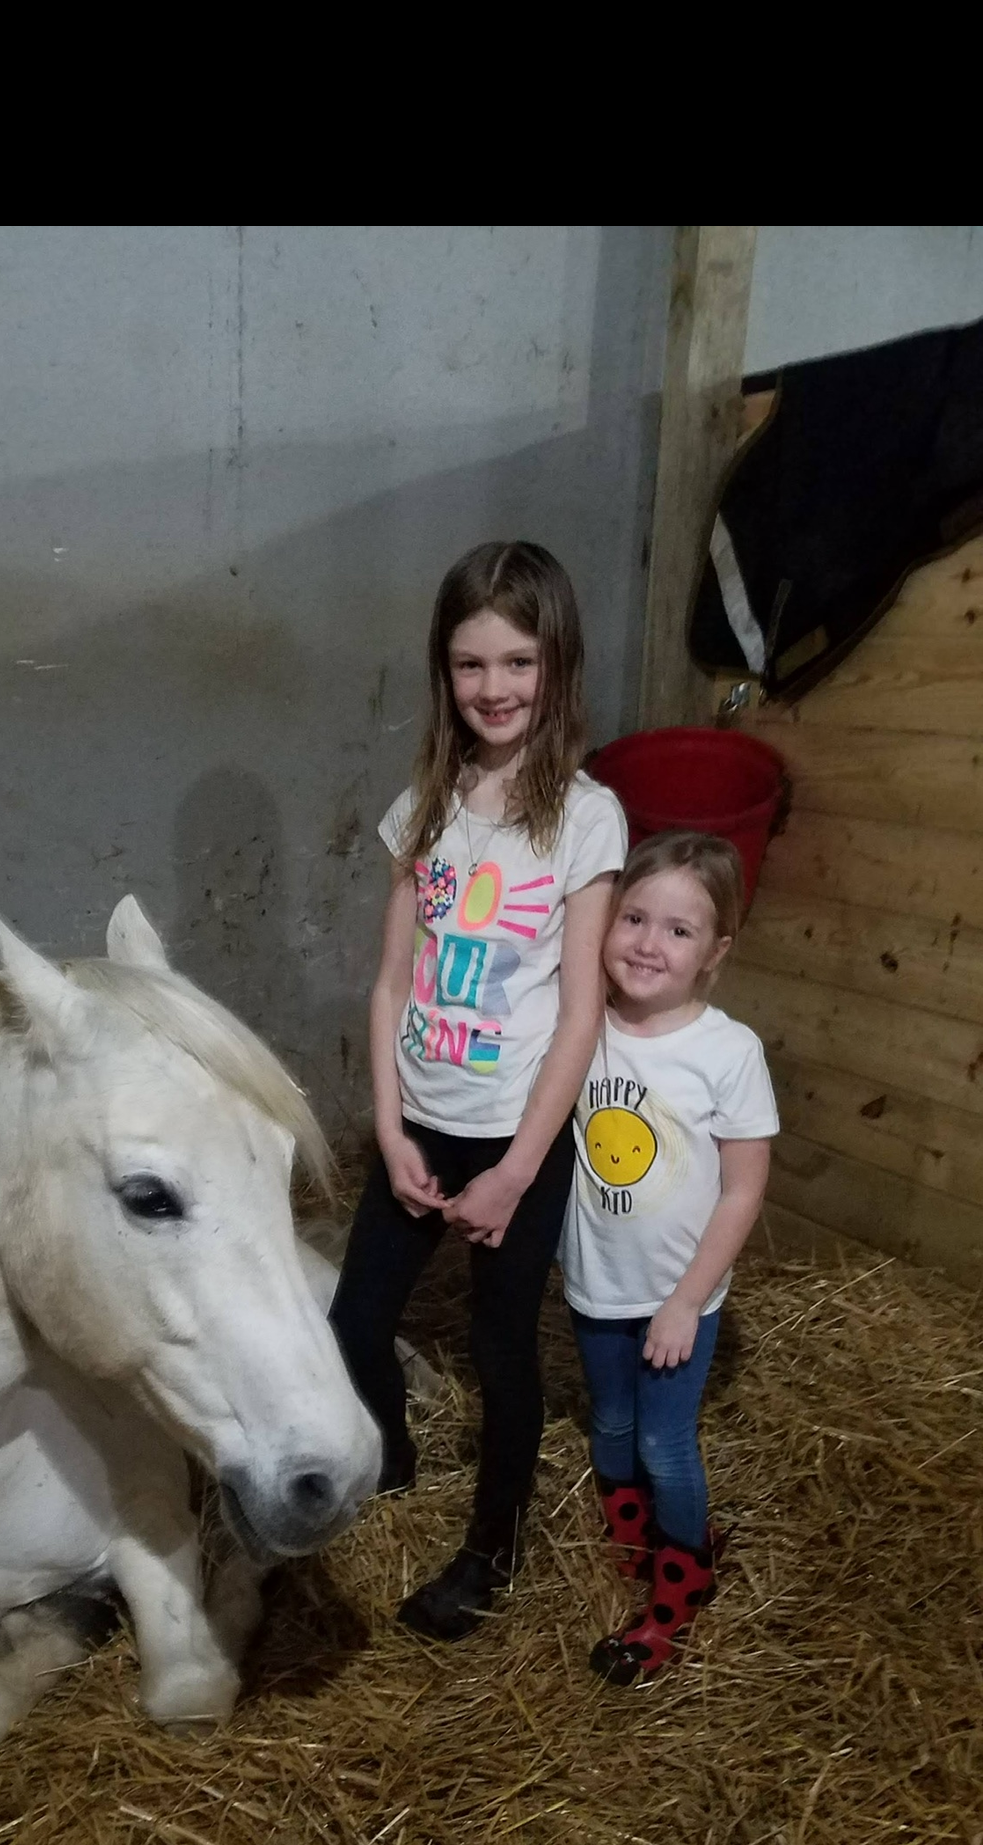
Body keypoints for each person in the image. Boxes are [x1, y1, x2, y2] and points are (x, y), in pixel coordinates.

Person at [330, 541, 626, 1640]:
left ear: (557, 665)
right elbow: (392, 981)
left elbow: (582, 1013)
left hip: (517, 1135)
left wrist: (512, 1171)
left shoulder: (586, 819)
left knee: (505, 1355)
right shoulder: (427, 807)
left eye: (517, 661)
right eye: (469, 664)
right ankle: (392, 1450)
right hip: (424, 1124)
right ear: (442, 672)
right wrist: (389, 1124)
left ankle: (491, 1552)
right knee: (355, 1319)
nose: (494, 688)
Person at [560, 828, 779, 1686]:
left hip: (676, 1299)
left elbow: (742, 1190)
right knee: (609, 1423)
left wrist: (688, 1299)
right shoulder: (583, 1024)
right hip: (595, 1287)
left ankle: (679, 1589)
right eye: (634, 918)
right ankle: (636, 1542)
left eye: (679, 931)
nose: (650, 943)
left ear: (714, 952)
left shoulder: (727, 1052)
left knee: (665, 1443)